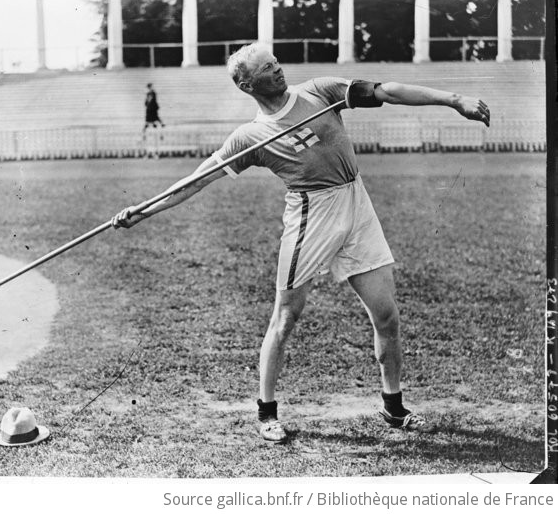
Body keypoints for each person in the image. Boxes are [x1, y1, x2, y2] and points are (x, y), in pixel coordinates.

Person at [112, 43, 490, 444]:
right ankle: (267, 413)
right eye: (267, 68)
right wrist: (142, 210)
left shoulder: (320, 91)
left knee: (387, 315)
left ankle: (394, 408)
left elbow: (387, 90)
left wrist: (454, 99)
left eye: (276, 62)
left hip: (357, 205)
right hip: (312, 216)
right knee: (286, 316)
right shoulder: (250, 137)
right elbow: (198, 179)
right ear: (246, 84)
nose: (278, 69)